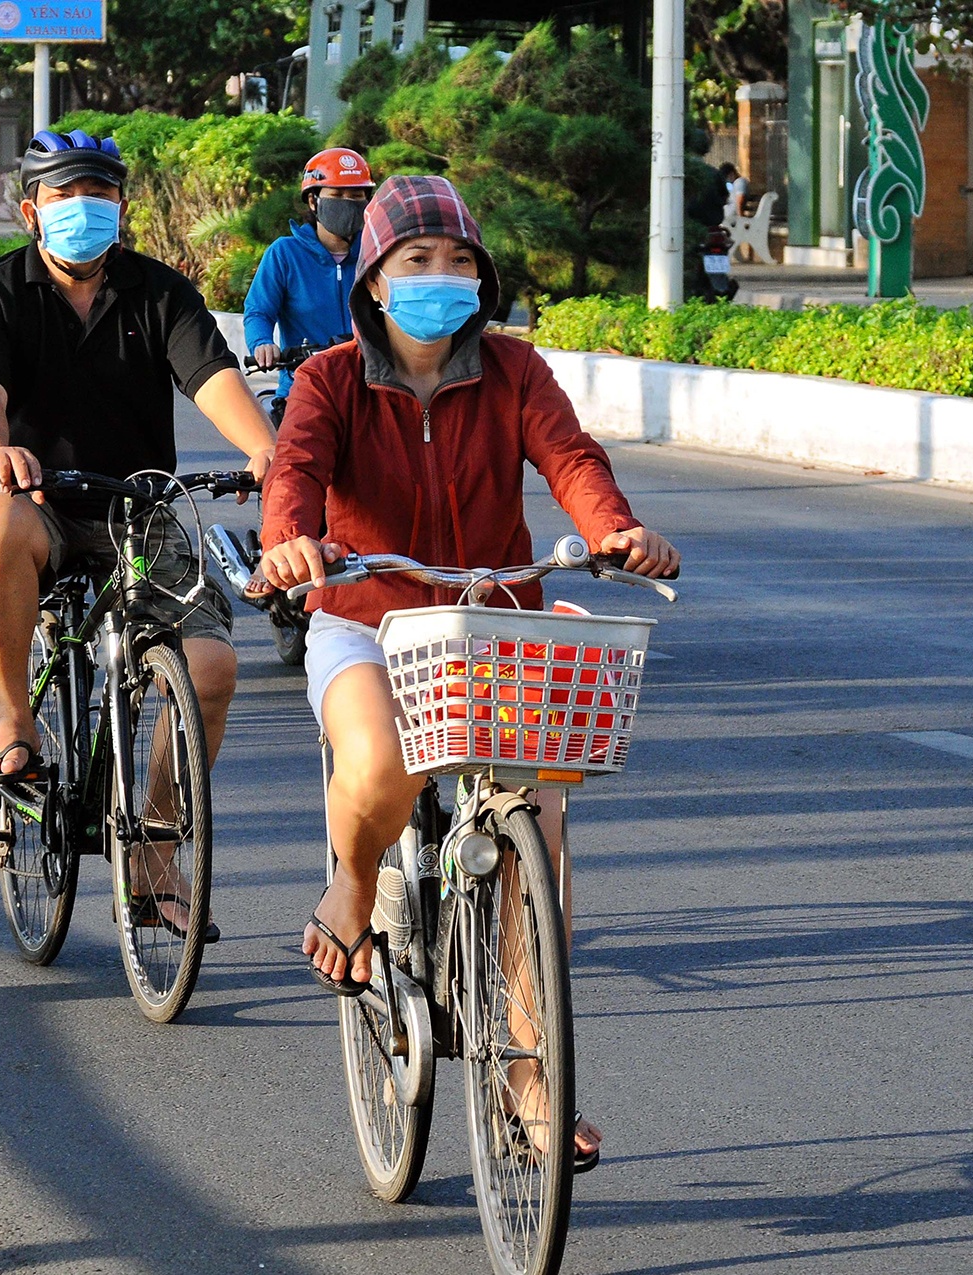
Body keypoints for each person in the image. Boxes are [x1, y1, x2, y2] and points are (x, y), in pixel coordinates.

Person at [257, 175, 680, 1169]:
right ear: (372, 283)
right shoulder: (327, 380)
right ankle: (355, 888)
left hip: (493, 627)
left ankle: (529, 1083)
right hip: (364, 621)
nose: (441, 280)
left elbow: (570, 459)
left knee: (545, 830)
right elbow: (294, 470)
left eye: (460, 263)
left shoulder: (517, 373)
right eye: (417, 263)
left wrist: (612, 530)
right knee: (381, 761)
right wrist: (289, 543)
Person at [0, 128, 277, 940]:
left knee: (209, 663)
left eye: (98, 194)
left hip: (141, 510)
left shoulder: (158, 292)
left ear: (121, 208)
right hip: (37, 500)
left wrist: (266, 450)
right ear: (31, 210)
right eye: (64, 195)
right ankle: (16, 717)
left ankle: (156, 846)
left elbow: (212, 377)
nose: (83, 210)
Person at [242, 147, 374, 421]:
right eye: (337, 195)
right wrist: (262, 343)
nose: (348, 203)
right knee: (291, 461)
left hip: (368, 390)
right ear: (313, 201)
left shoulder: (376, 254)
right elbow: (258, 311)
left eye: (356, 196)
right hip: (304, 390)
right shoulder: (285, 253)